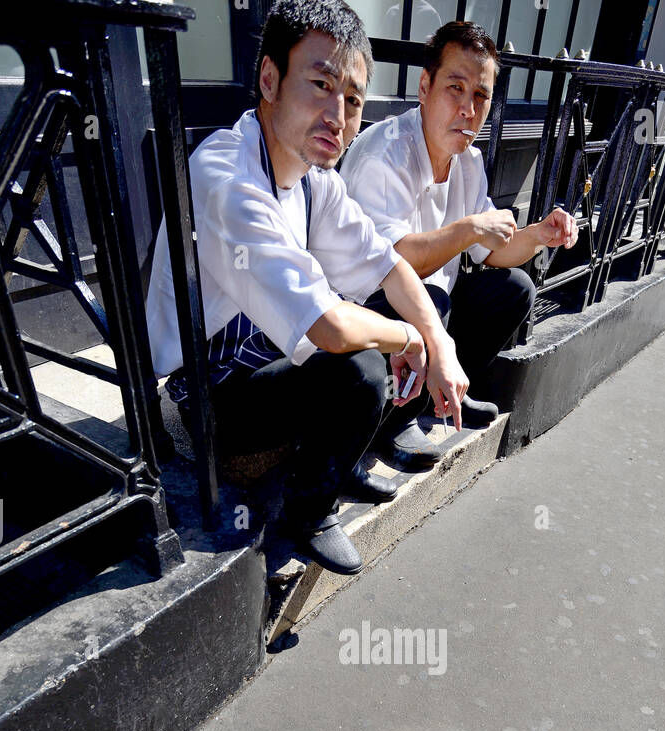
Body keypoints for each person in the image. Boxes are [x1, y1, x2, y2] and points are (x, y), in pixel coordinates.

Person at [145, 0, 468, 576]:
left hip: (273, 360)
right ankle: (307, 515)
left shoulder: (316, 181)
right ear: (269, 79)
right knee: (362, 363)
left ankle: (340, 463)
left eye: (352, 99)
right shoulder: (226, 174)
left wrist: (438, 345)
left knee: (403, 307)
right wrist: (407, 339)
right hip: (219, 394)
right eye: (320, 84)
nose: (337, 115)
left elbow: (388, 265)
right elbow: (330, 327)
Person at [340, 19, 579, 468]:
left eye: (481, 95)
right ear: (425, 87)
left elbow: (491, 251)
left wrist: (540, 234)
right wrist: (469, 228)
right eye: (456, 87)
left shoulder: (468, 161)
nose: (468, 108)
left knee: (514, 288)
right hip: (366, 308)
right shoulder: (385, 153)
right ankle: (394, 421)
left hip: (429, 304)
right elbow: (391, 264)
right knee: (429, 296)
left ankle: (445, 394)